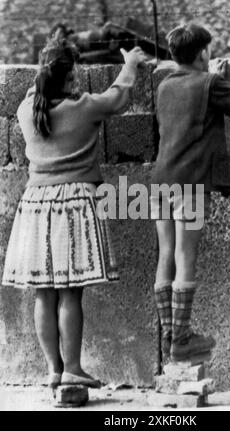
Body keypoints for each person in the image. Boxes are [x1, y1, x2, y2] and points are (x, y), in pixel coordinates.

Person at [2, 37, 146, 388]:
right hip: (76, 203)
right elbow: (117, 97)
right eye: (72, 76)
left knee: (43, 292)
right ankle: (74, 367)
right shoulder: (83, 107)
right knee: (70, 293)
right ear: (68, 78)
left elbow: (39, 94)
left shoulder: (26, 110)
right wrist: (130, 64)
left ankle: (53, 370)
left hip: (36, 204)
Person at [150, 22, 230, 363]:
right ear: (203, 52)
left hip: (159, 183)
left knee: (166, 256)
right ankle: (182, 340)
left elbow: (191, 104)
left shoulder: (164, 85)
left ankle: (168, 338)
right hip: (190, 185)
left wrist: (213, 79)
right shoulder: (211, 83)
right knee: (185, 258)